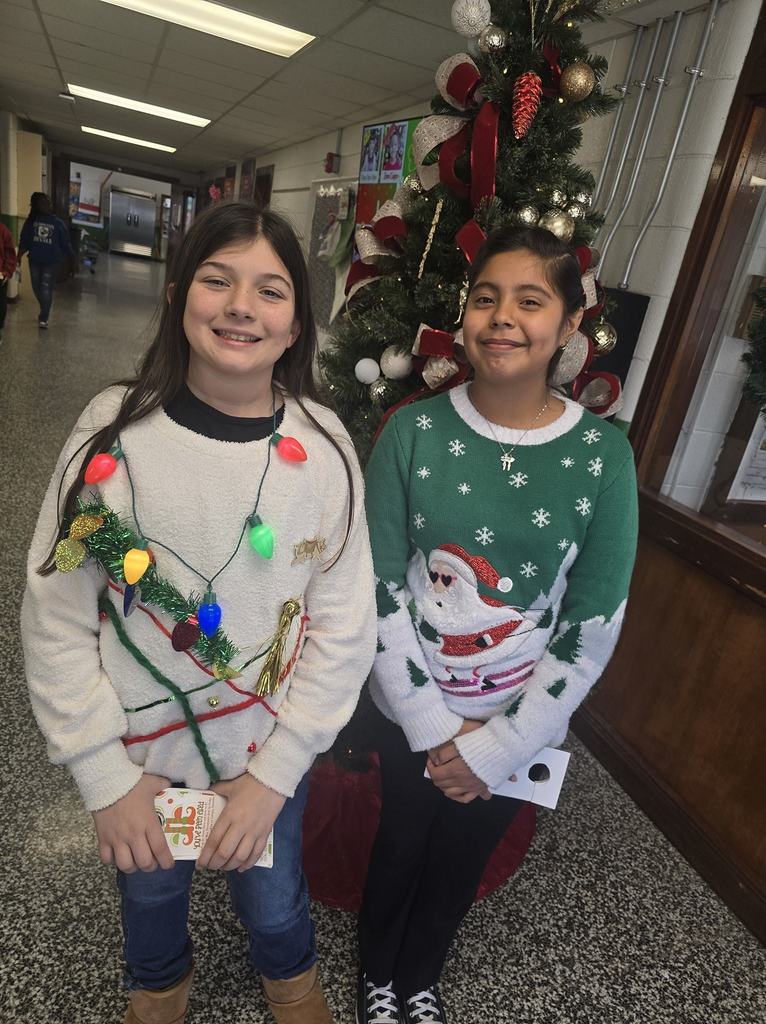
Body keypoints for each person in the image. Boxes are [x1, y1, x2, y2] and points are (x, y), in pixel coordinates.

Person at [21, 200, 377, 1024]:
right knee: (147, 899)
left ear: (296, 326)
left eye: (270, 290)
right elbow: (57, 613)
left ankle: (292, 984)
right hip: (139, 766)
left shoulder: (324, 453)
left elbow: (344, 628)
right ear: (178, 296)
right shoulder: (110, 438)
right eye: (217, 280)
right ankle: (157, 991)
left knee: (278, 901)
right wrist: (105, 776)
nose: (240, 305)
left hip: (261, 764)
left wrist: (272, 778)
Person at [357, 226, 639, 1024]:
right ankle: (378, 973)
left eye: (529, 300)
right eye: (485, 298)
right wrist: (431, 726)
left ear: (570, 326)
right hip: (411, 711)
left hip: (521, 726)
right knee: (400, 846)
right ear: (464, 314)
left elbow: (594, 616)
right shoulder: (411, 432)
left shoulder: (602, 455)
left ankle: (419, 980)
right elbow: (376, 587)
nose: (501, 318)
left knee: (458, 864)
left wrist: (501, 743)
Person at [17, 191, 74, 328]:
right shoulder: (31, 222)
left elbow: (66, 244)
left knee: (45, 288)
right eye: (45, 203)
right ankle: (45, 307)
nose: (49, 205)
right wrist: (18, 256)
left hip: (52, 262)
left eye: (49, 203)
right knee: (36, 288)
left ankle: (44, 317)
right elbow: (24, 240)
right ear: (37, 205)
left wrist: (72, 261)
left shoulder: (58, 223)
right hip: (35, 260)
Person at [0, 219, 17, 341]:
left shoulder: (3, 231)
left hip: (0, 276)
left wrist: (6, 272)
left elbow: (10, 254)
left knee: (0, 306)